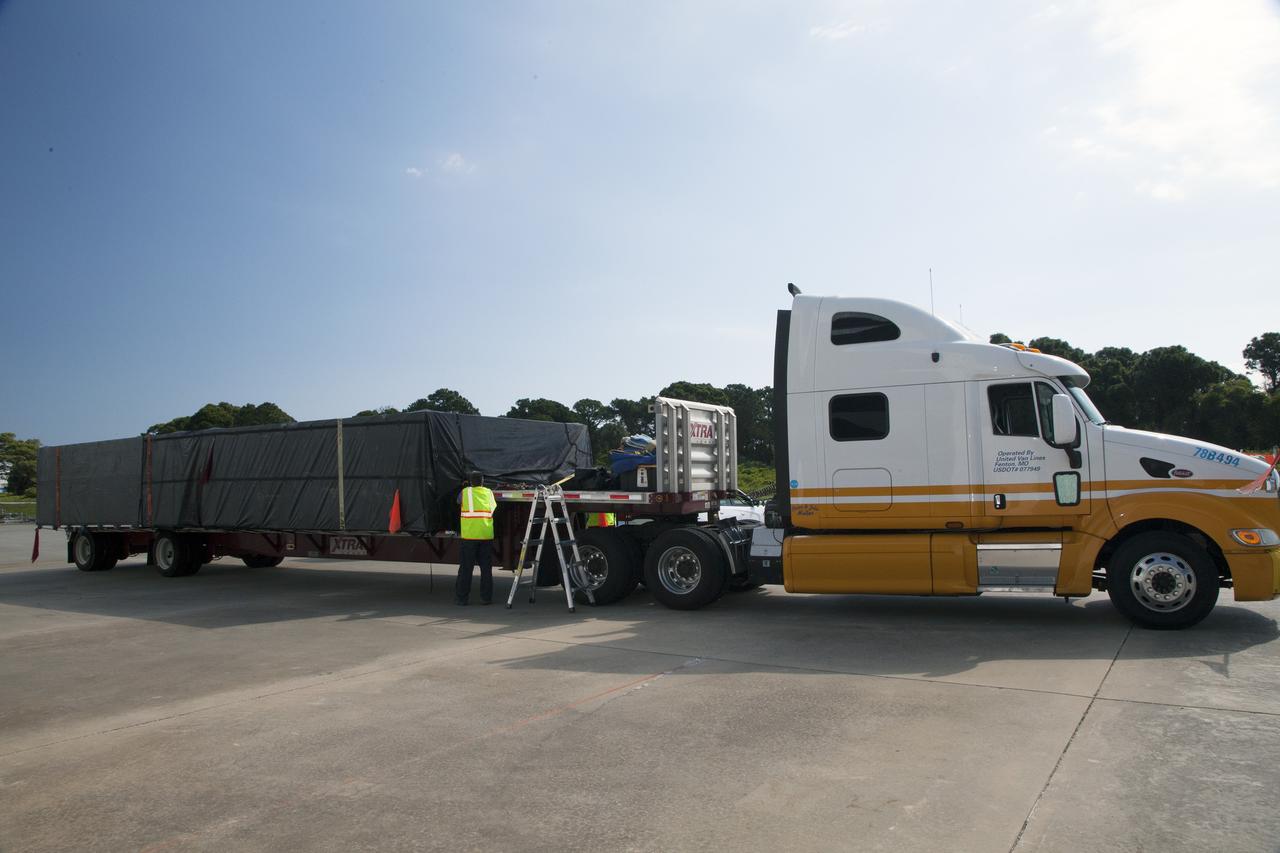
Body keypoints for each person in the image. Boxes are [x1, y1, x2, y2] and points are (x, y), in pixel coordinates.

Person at [456, 471, 496, 605]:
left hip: (469, 536)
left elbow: (458, 501)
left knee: (466, 568)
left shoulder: (465, 492)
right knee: (486, 569)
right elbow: (493, 507)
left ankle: (462, 599)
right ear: (483, 481)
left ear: (470, 482)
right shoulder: (489, 492)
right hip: (486, 535)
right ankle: (486, 598)